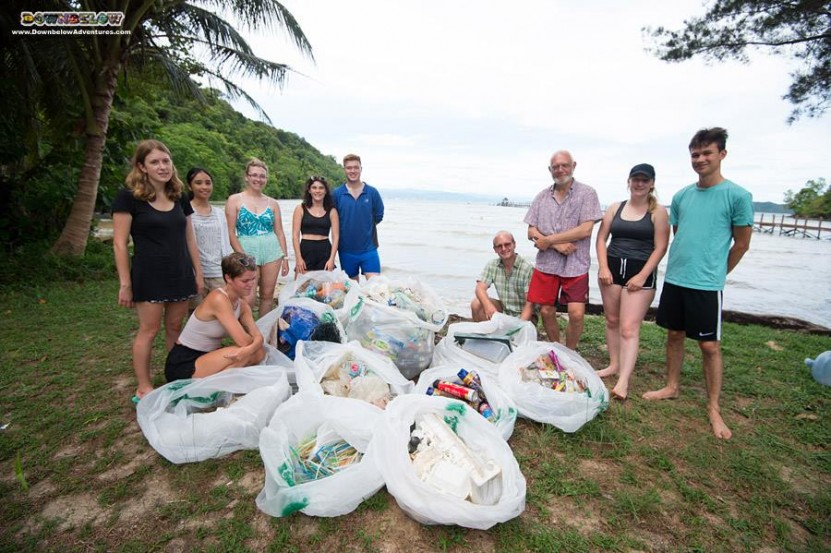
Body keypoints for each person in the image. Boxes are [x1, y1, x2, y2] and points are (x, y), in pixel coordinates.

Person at [643, 127, 753, 440]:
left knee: (709, 345)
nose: (700, 159)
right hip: (677, 278)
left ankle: (713, 406)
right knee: (674, 335)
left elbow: (741, 244)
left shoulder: (738, 196)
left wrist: (718, 273)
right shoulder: (681, 196)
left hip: (707, 285)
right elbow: (681, 234)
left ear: (722, 154)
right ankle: (672, 386)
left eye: (707, 153)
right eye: (695, 154)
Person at [112, 139, 203, 401]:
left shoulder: (179, 197)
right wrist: (125, 283)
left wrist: (197, 272)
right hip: (149, 275)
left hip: (180, 273)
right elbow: (119, 244)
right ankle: (143, 386)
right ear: (142, 166)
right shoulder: (128, 198)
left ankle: (176, 379)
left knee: (176, 328)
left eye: (165, 161)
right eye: (154, 162)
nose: (162, 167)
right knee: (148, 330)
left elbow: (190, 239)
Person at [595, 163, 670, 400]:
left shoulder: (658, 212)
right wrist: (604, 266)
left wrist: (642, 275)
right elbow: (601, 239)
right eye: (635, 179)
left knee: (629, 327)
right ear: (628, 181)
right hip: (613, 267)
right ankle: (613, 364)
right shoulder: (615, 208)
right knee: (612, 320)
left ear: (651, 184)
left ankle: (624, 380)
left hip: (641, 270)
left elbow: (661, 247)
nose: (639, 184)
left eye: (644, 180)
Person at [523, 150, 602, 349]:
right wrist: (555, 244)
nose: (560, 170)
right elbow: (531, 229)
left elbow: (585, 229)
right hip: (547, 265)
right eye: (555, 167)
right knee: (546, 311)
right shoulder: (542, 196)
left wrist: (548, 240)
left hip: (576, 264)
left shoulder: (587, 193)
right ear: (550, 170)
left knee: (576, 313)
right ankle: (556, 349)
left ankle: (571, 351)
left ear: (573, 166)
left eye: (564, 165)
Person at [165, 253, 266, 382]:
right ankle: (213, 387)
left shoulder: (242, 305)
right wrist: (250, 348)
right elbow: (245, 341)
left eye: (253, 279)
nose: (251, 284)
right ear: (228, 278)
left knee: (258, 353)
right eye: (245, 280)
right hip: (185, 362)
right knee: (249, 353)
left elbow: (258, 337)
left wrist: (248, 349)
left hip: (207, 356)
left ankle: (216, 384)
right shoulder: (218, 299)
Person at [225, 159, 290, 316]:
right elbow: (231, 232)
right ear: (247, 177)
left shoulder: (273, 203)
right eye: (254, 175)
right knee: (248, 297)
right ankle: (246, 333)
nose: (258, 179)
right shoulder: (234, 200)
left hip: (272, 251)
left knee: (267, 296)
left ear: (266, 179)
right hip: (246, 249)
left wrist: (285, 257)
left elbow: (279, 231)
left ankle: (262, 332)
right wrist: (242, 256)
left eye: (262, 176)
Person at [332, 154, 384, 281]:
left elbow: (379, 215)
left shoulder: (372, 192)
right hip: (346, 250)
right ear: (344, 169)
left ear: (361, 169)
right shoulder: (337, 194)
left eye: (356, 167)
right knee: (352, 289)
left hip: (369, 249)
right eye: (349, 168)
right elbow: (332, 219)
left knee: (376, 286)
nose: (352, 171)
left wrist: (363, 226)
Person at [187, 167, 233, 307]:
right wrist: (196, 273)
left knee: (222, 313)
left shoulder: (219, 213)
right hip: (194, 273)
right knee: (196, 315)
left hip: (218, 272)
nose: (204, 187)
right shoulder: (185, 212)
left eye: (208, 183)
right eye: (198, 183)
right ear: (190, 186)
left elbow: (225, 243)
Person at [471, 231, 534, 321]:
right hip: (504, 310)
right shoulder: (492, 265)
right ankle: (483, 333)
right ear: (495, 249)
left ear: (514, 245)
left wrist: (519, 327)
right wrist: (488, 306)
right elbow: (479, 288)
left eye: (507, 244)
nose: (504, 249)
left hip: (524, 314)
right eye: (499, 246)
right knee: (476, 304)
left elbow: (530, 303)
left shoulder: (527, 268)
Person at [291, 176, 340, 274]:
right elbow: (295, 236)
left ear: (326, 191)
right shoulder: (300, 208)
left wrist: (332, 259)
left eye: (321, 188)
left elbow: (336, 237)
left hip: (325, 250)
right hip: (306, 250)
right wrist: (298, 258)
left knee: (324, 287)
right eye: (314, 187)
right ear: (309, 190)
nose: (318, 191)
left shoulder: (332, 211)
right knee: (302, 286)